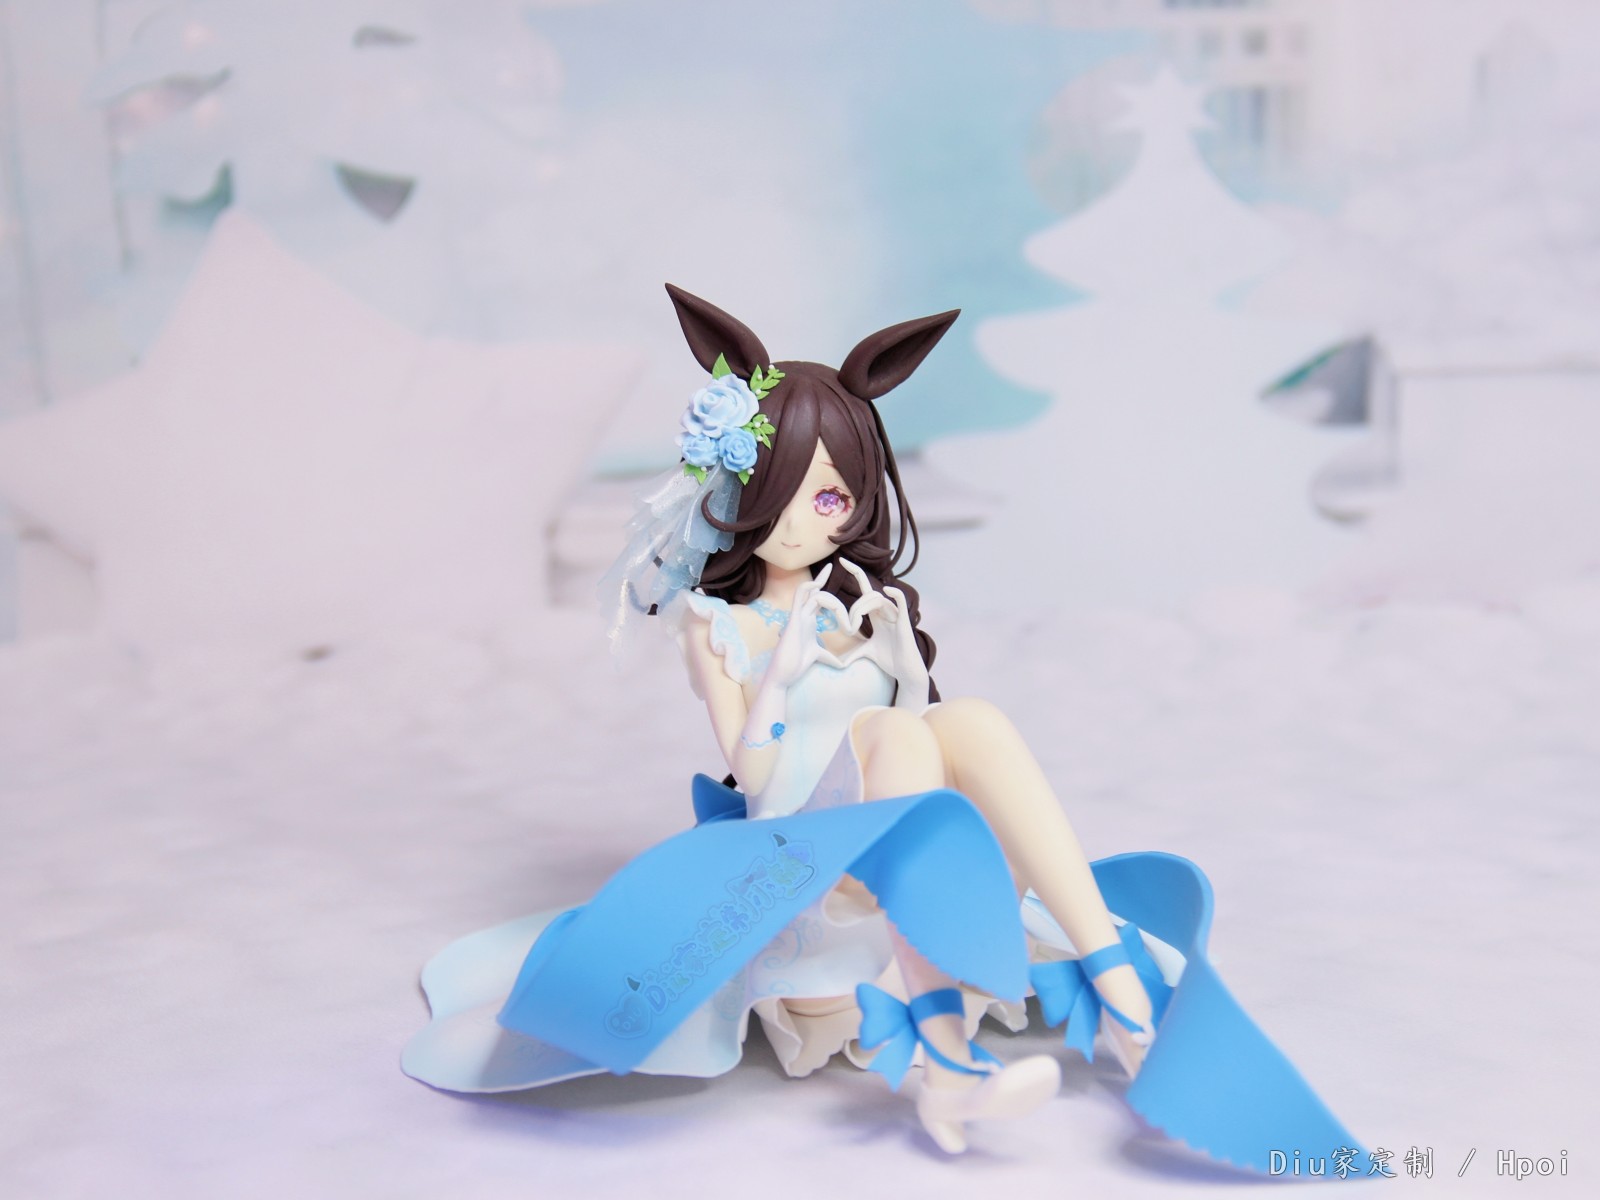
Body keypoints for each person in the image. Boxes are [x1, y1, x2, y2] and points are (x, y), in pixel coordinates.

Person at [403, 286, 1359, 1165]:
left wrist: (872, 647)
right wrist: (782, 673)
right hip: (801, 858)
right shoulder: (717, 625)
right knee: (897, 739)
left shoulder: (873, 605)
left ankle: (1117, 1001)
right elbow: (753, 776)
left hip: (912, 842)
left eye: (829, 497)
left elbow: (929, 731)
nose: (802, 523)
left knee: (962, 718)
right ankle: (956, 1049)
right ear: (736, 488)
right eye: (778, 492)